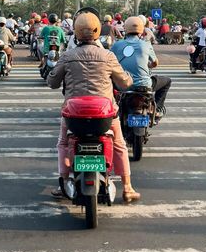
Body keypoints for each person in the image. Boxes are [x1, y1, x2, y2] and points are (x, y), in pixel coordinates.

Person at [47, 11, 140, 202]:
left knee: (63, 143)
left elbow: (53, 83)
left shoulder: (68, 56)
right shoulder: (107, 56)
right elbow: (123, 83)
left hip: (73, 116)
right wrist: (129, 80)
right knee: (120, 144)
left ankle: (62, 182)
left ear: (76, 32)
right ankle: (128, 187)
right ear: (97, 31)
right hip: (105, 115)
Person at [112, 16, 171, 118]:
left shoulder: (117, 45)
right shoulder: (146, 44)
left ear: (125, 28)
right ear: (141, 29)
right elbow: (155, 63)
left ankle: (113, 109)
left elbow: (109, 62)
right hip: (145, 85)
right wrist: (148, 65)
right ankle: (156, 109)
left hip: (123, 85)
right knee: (167, 81)